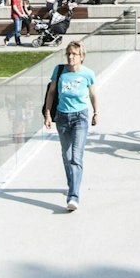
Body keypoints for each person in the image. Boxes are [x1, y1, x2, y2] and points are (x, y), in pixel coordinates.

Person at [42, 41, 99, 212]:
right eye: (68, 54)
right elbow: (51, 93)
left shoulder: (88, 74)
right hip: (62, 117)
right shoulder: (59, 71)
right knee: (66, 155)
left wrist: (96, 112)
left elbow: (93, 94)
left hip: (80, 117)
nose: (70, 57)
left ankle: (73, 196)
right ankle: (72, 182)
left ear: (81, 56)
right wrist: (47, 113)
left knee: (76, 156)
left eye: (74, 54)